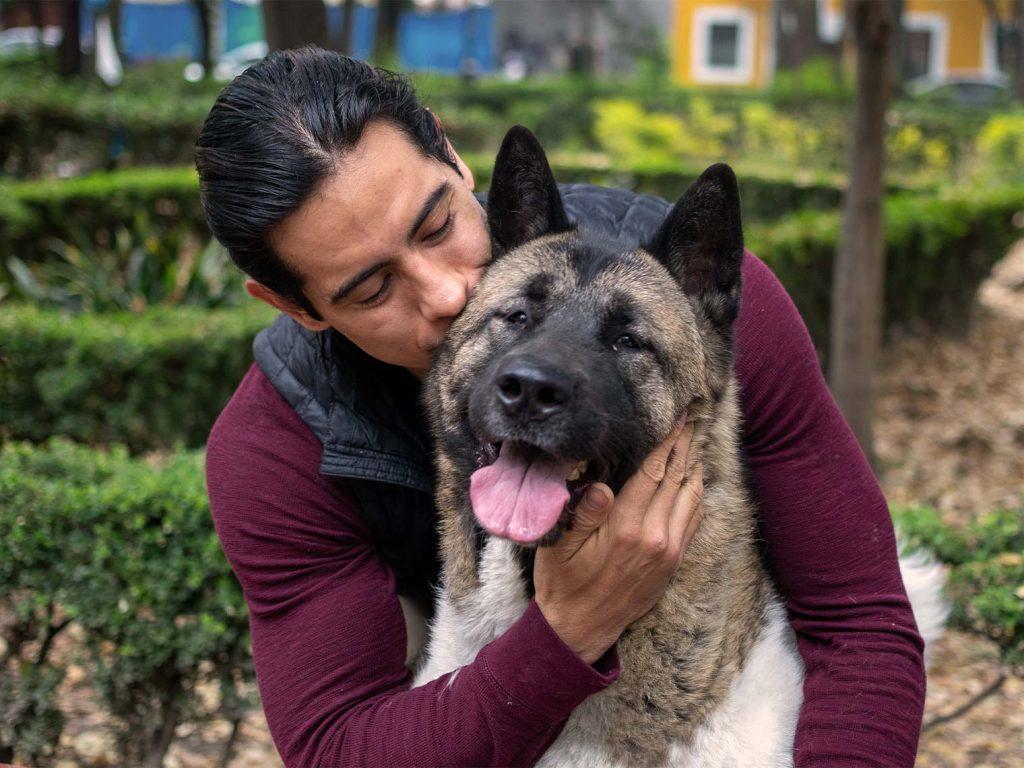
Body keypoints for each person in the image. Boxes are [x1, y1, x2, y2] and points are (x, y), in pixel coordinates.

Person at [197, 48, 925, 768]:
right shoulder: (276, 450)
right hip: (456, 693)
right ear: (296, 307)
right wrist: (570, 627)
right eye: (371, 289)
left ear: (450, 154)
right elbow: (339, 751)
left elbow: (859, 619)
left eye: (437, 225)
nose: (448, 294)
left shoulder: (692, 315)